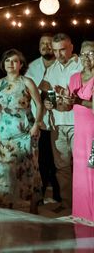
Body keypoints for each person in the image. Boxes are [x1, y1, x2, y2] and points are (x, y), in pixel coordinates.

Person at [0, 49, 43, 214]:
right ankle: (6, 201)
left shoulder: (27, 82)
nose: (10, 64)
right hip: (4, 133)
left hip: (25, 132)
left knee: (28, 167)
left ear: (20, 64)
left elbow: (39, 105)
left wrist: (37, 125)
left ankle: (32, 204)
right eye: (7, 61)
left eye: (14, 61)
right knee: (5, 168)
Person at [42, 32, 82, 213]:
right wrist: (46, 102)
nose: (59, 54)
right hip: (57, 123)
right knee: (62, 167)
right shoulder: (52, 69)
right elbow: (45, 92)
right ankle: (67, 204)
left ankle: (84, 204)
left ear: (71, 47)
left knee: (82, 166)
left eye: (63, 50)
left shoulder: (82, 65)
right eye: (56, 50)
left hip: (79, 123)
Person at [25, 33, 61, 204]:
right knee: (41, 159)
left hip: (58, 121)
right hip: (39, 121)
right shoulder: (32, 67)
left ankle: (58, 193)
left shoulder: (60, 65)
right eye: (42, 43)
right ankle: (40, 193)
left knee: (58, 160)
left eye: (49, 43)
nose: (46, 46)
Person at [64, 41, 94, 222]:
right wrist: (59, 101)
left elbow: (81, 103)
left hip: (93, 134)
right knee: (81, 172)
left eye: (91, 54)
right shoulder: (75, 77)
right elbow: (68, 105)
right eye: (83, 54)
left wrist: (77, 101)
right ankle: (82, 213)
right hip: (80, 133)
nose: (86, 58)